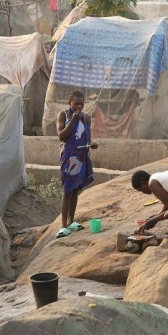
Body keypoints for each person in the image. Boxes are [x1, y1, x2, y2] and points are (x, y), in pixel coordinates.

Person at [56, 91, 98, 237]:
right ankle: (63, 225)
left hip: (81, 157)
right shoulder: (64, 115)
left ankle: (71, 221)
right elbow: (61, 136)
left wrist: (92, 144)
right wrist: (73, 120)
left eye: (81, 104)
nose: (79, 107)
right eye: (76, 104)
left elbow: (88, 138)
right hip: (68, 157)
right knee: (67, 190)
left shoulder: (86, 118)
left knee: (75, 190)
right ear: (70, 104)